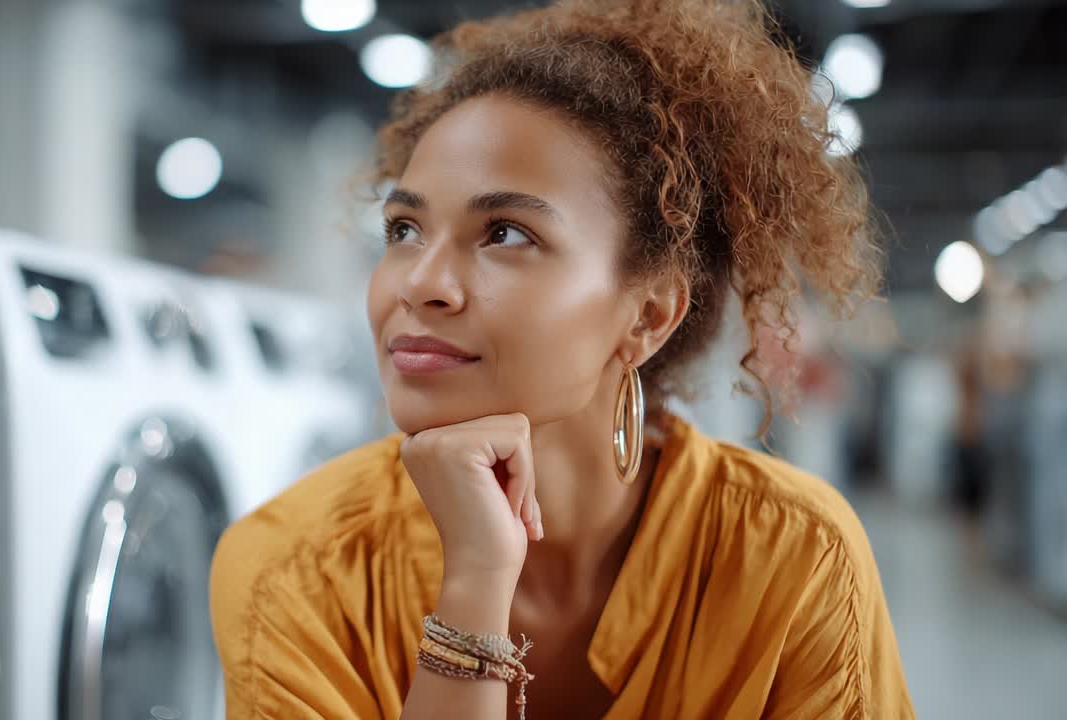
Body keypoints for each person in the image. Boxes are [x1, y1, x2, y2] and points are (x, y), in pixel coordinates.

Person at [210, 0, 914, 717]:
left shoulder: (793, 557)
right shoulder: (293, 567)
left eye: (506, 234)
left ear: (648, 315)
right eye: (404, 228)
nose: (419, 283)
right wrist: (476, 583)